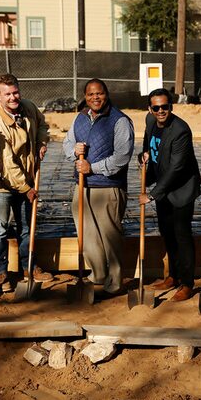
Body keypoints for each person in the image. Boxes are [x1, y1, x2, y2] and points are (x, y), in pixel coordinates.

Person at [63, 78, 134, 296]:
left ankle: (115, 281)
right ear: (85, 96)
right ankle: (97, 275)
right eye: (91, 94)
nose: (95, 97)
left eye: (99, 93)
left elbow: (122, 157)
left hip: (108, 188)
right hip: (82, 187)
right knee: (88, 237)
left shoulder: (120, 120)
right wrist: (74, 151)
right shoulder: (80, 118)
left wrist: (91, 168)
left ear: (106, 94)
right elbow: (67, 145)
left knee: (109, 236)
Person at [0, 73, 52, 294]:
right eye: (7, 94)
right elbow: (5, 167)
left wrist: (41, 141)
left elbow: (42, 124)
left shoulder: (28, 107)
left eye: (15, 92)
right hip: (1, 184)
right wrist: (26, 188)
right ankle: (1, 272)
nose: (13, 97)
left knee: (27, 227)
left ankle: (29, 267)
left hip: (26, 178)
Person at [139, 88, 201, 302]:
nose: (161, 111)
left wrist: (152, 195)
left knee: (182, 236)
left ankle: (187, 283)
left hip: (181, 190)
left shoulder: (181, 130)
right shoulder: (149, 121)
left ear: (171, 107)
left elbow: (176, 168)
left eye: (165, 107)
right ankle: (173, 276)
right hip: (163, 189)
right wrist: (143, 155)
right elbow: (148, 144)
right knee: (167, 233)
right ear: (150, 109)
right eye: (156, 108)